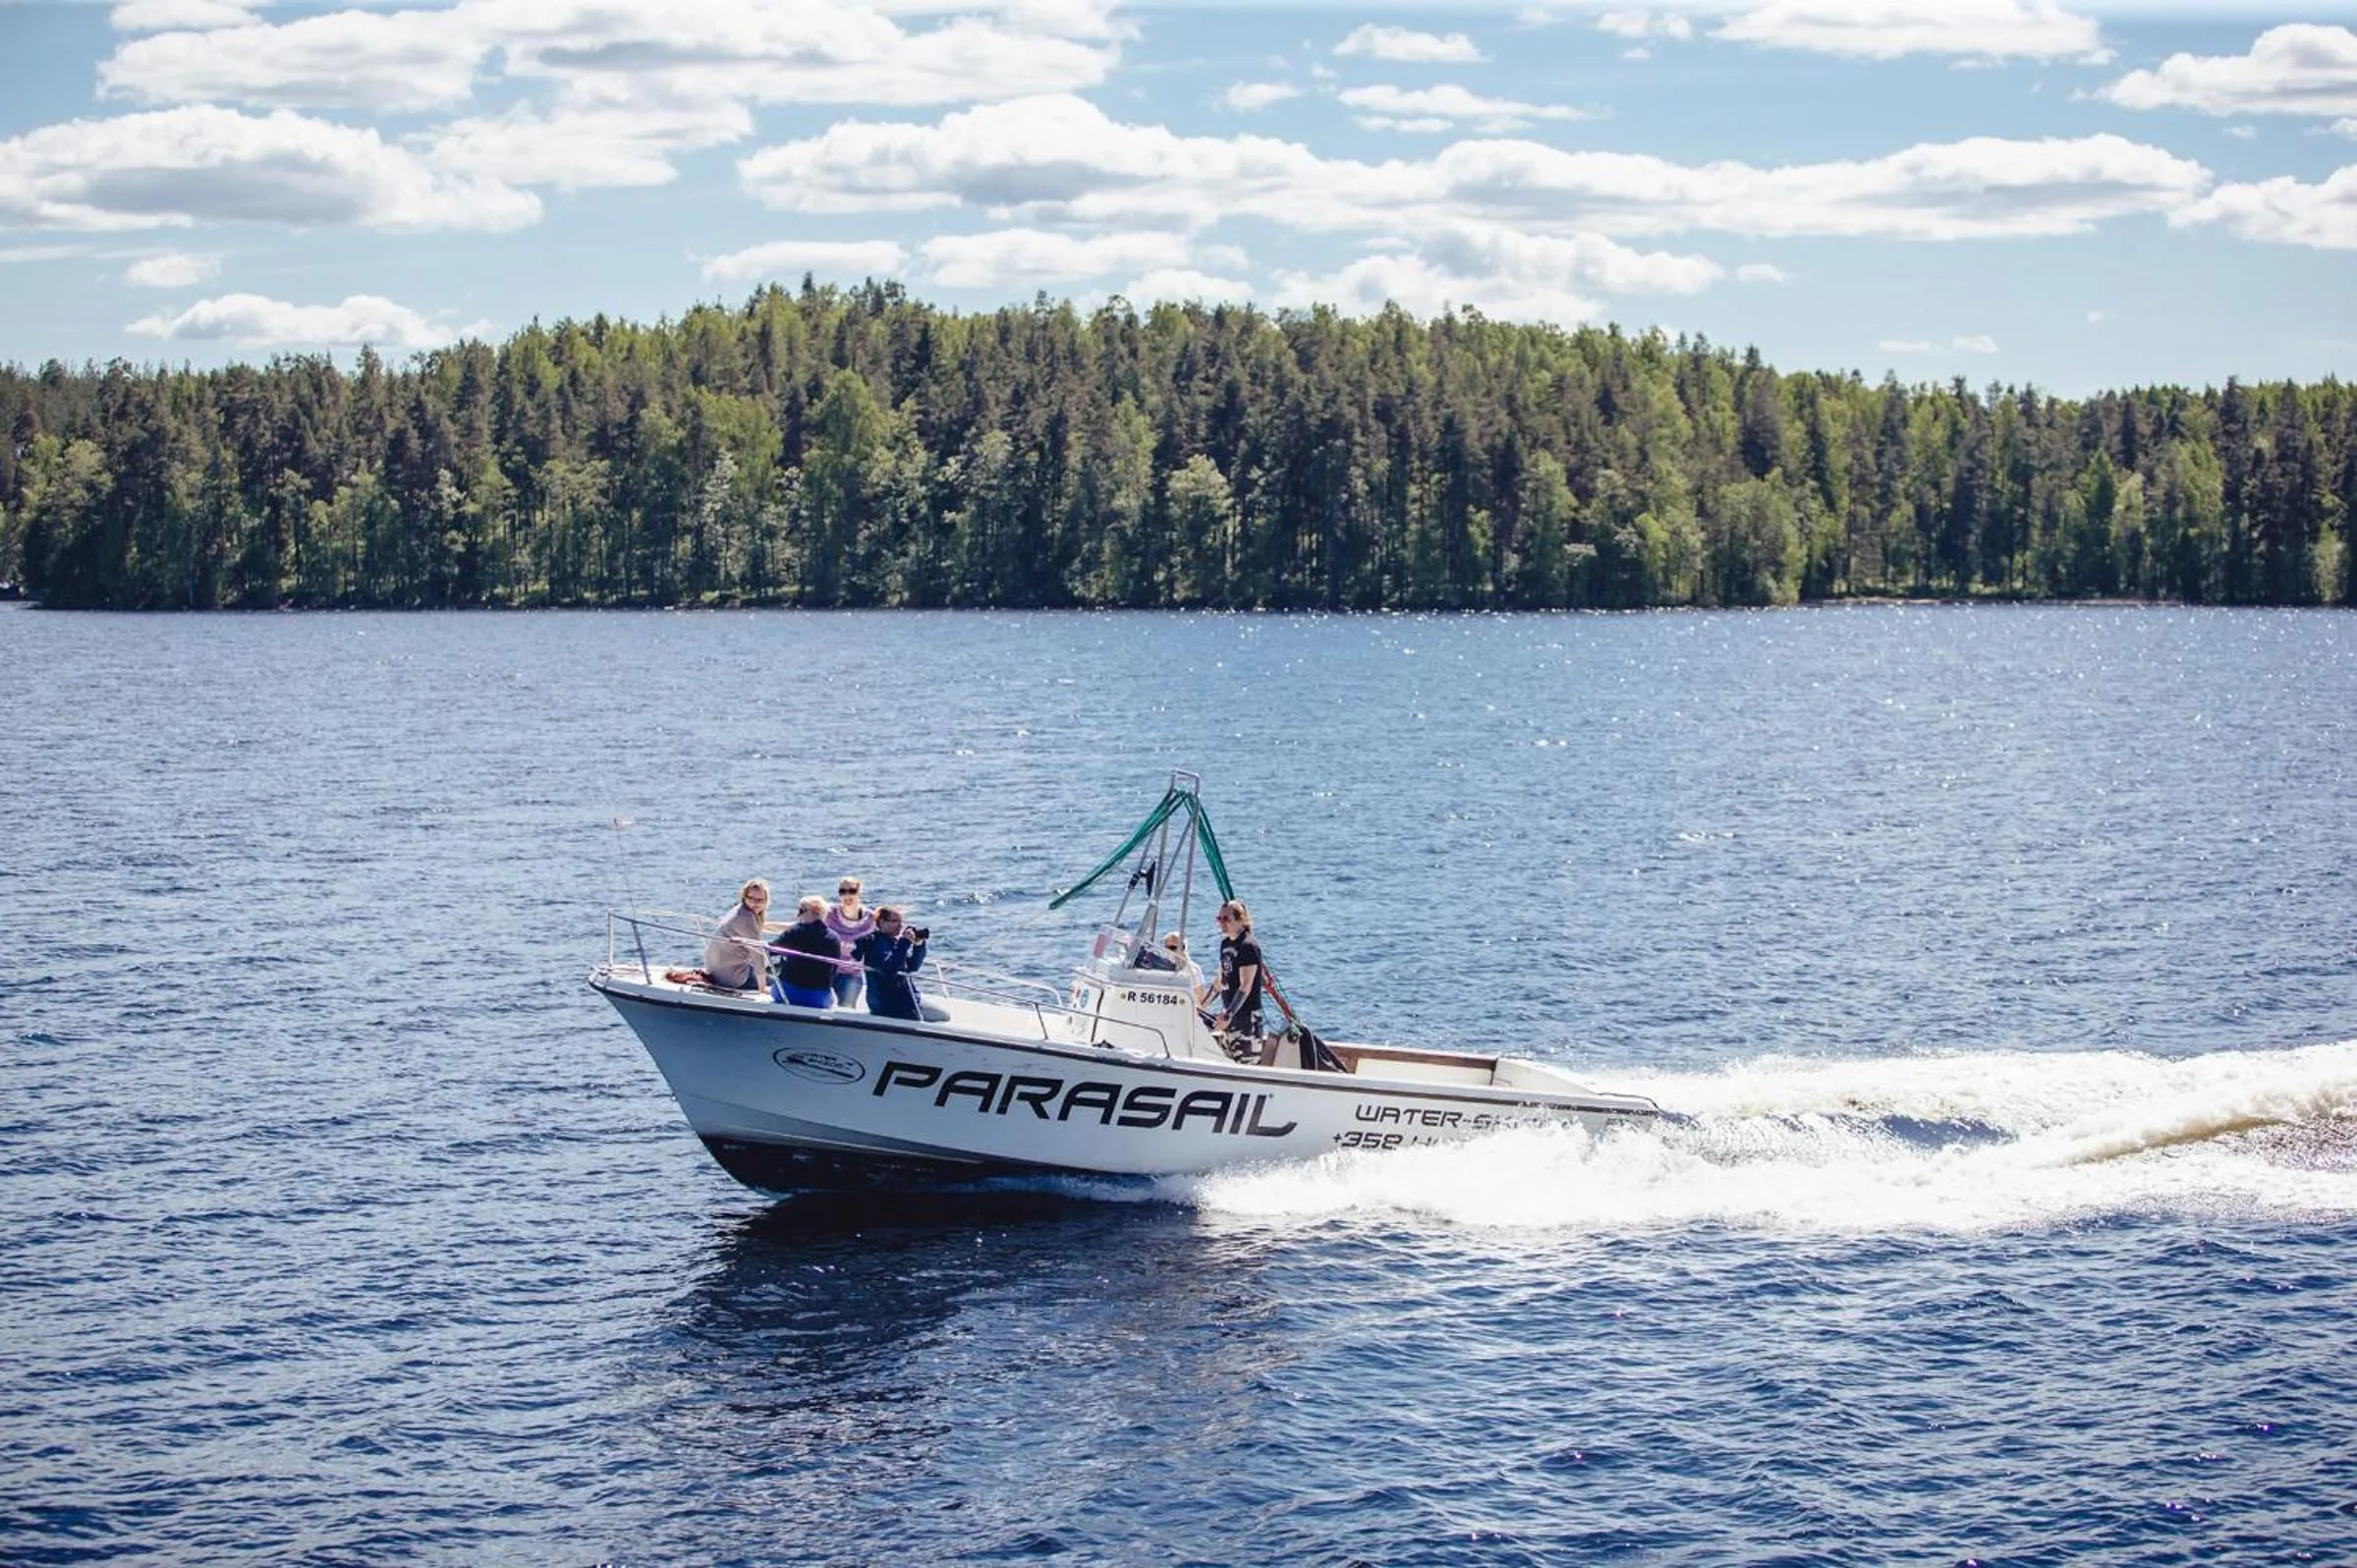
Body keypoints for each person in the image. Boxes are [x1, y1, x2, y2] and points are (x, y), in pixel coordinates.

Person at [854, 905, 929, 1021]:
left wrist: (918, 945)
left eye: (901, 922)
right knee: (943, 1016)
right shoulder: (875, 943)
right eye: (895, 921)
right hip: (888, 1003)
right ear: (882, 922)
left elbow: (912, 966)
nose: (900, 926)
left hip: (901, 998)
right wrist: (904, 942)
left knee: (942, 1014)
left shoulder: (892, 942)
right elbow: (890, 968)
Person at [773, 895, 841, 1008]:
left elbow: (771, 950)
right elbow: (834, 970)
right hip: (819, 998)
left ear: (816, 912)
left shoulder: (794, 931)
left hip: (787, 994)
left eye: (801, 910)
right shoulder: (834, 938)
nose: (798, 915)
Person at [702, 879, 771, 990]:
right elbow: (757, 957)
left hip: (715, 970)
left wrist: (791, 928)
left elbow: (761, 926)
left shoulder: (739, 910)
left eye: (759, 900)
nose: (755, 903)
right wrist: (763, 989)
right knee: (778, 984)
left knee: (768, 966)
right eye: (751, 898)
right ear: (744, 897)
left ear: (765, 901)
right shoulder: (747, 919)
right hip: (732, 978)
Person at [1212, 899, 1263, 1047]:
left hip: (1246, 1018)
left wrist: (1228, 1015)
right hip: (1230, 1015)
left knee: (1247, 1063)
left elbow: (1245, 986)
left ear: (1241, 920)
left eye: (1226, 919)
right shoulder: (1225, 944)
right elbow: (1221, 980)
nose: (1222, 923)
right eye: (1219, 919)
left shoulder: (1248, 946)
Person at [824, 876, 875, 1009]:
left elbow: (891, 934)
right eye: (842, 891)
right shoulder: (829, 913)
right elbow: (803, 925)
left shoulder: (871, 919)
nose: (847, 895)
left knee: (846, 1009)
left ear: (859, 893)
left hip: (851, 974)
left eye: (851, 891)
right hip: (827, 970)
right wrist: (764, 925)